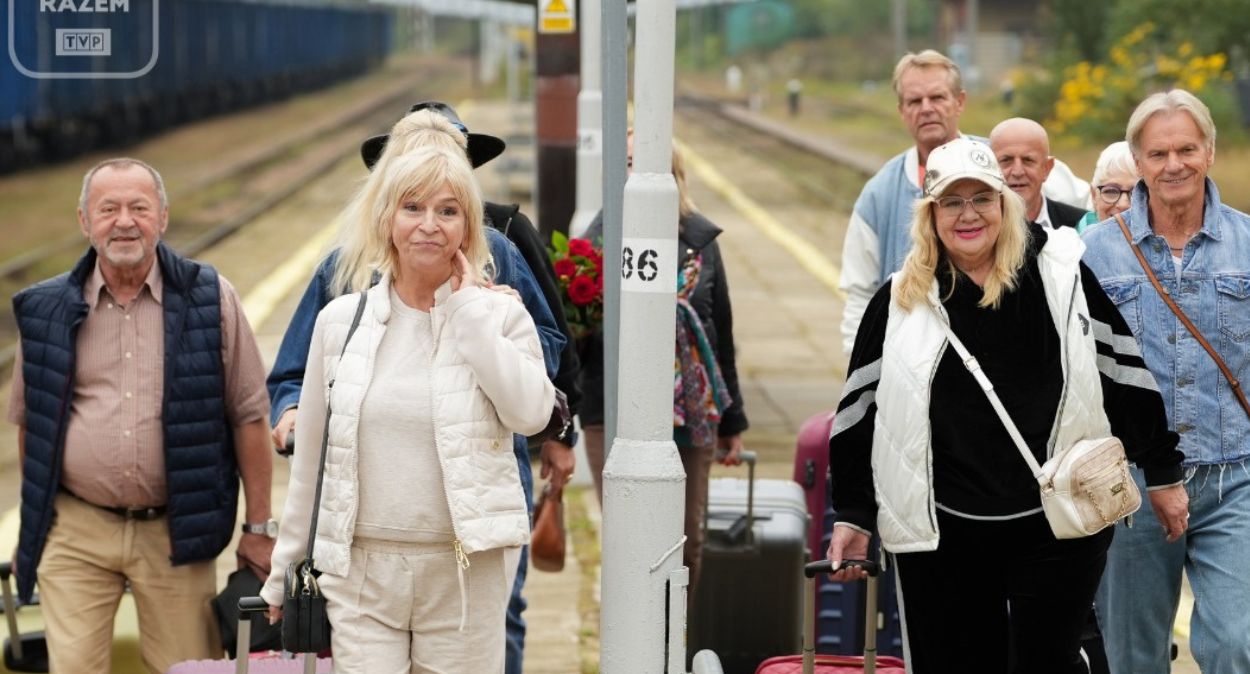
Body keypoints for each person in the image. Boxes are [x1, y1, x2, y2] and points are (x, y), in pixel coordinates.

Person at [827, 137, 1186, 673]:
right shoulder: (900, 300)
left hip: (1054, 523)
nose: (968, 215)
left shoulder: (1060, 276)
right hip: (945, 531)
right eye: (951, 202)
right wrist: (853, 514)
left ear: (1003, 205)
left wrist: (1162, 470)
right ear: (930, 214)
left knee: (1049, 661)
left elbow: (1123, 372)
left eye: (981, 199)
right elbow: (857, 412)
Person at [265, 102, 574, 674]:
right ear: (387, 217)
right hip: (361, 573)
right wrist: (285, 568)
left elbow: (533, 413)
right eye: (412, 207)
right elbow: (311, 461)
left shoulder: (500, 314)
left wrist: (471, 315)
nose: (429, 224)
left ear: (468, 224)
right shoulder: (341, 319)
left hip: (465, 570)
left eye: (447, 210)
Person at [7, 158, 275, 674]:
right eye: (108, 209)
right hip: (77, 530)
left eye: (139, 207)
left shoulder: (211, 298)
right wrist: (37, 526)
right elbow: (31, 426)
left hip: (176, 530)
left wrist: (258, 527)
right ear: (85, 221)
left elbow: (249, 417)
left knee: (185, 668)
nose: (124, 221)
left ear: (163, 218)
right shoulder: (44, 311)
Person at [1082, 90, 1250, 674]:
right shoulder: (1092, 254)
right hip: (1130, 487)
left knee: (1237, 645)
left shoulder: (1248, 245)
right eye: (1157, 153)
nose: (1173, 164)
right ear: (1139, 163)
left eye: (1185, 149)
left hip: (1235, 477)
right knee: (1133, 657)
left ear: (1208, 151)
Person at [839, 50, 1090, 355]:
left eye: (938, 97)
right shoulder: (879, 192)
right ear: (901, 110)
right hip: (917, 352)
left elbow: (1087, 201)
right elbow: (859, 292)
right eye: (915, 101)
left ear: (960, 101)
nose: (927, 109)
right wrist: (863, 367)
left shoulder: (1002, 159)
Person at [580, 135, 747, 593]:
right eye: (628, 162)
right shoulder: (592, 244)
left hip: (691, 417)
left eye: (648, 163)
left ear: (674, 175)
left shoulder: (701, 244)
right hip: (611, 411)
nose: (637, 173)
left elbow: (722, 331)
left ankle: (677, 652)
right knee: (626, 543)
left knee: (686, 544)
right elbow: (573, 339)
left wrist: (732, 421)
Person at [990, 117, 1088, 230]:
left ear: (1046, 168)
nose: (1018, 172)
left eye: (1028, 160)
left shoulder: (1081, 227)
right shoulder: (976, 229)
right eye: (1006, 160)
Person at [1077, 141, 1137, 233]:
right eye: (1111, 191)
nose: (1123, 205)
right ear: (1094, 195)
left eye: (1136, 193)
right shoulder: (1075, 243)